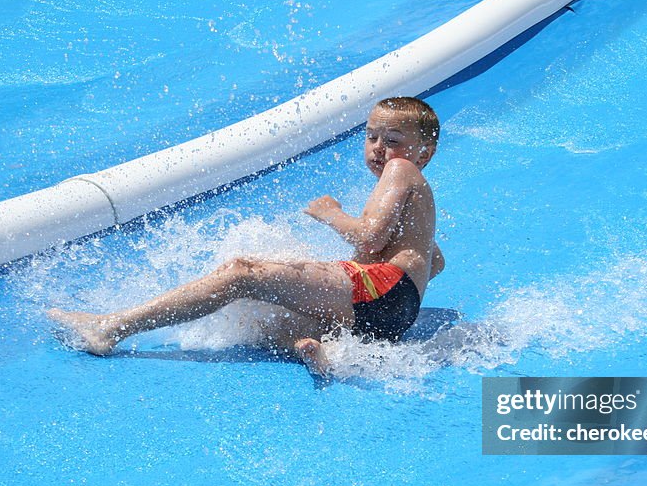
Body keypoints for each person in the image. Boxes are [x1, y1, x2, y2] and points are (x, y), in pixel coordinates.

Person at [48, 96, 445, 375]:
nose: (378, 148)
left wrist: (332, 215)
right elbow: (436, 261)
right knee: (263, 319)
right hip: (390, 317)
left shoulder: (402, 172)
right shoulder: (408, 193)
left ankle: (110, 328)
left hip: (384, 292)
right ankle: (323, 349)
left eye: (392, 141)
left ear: (422, 154)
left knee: (244, 272)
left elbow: (371, 238)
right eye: (371, 136)